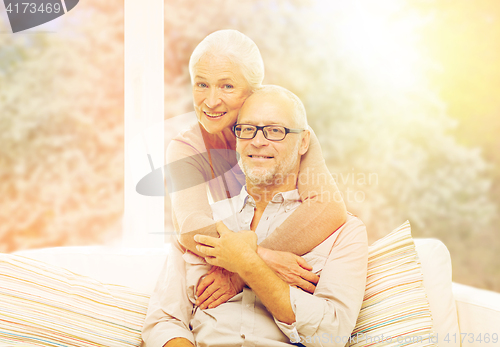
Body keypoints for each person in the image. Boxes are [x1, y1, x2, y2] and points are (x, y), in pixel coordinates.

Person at [143, 86, 368, 347]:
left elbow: (332, 333)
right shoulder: (203, 224)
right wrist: (265, 256)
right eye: (247, 129)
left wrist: (247, 263)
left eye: (275, 131)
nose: (258, 141)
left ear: (304, 141)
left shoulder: (343, 232)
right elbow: (164, 321)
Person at [166, 29, 347, 308]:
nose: (211, 101)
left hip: (303, 262)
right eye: (201, 85)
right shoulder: (185, 147)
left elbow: (328, 208)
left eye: (227, 86)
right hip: (249, 265)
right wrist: (262, 259)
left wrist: (242, 272)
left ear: (253, 91)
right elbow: (191, 228)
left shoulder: (289, 131)